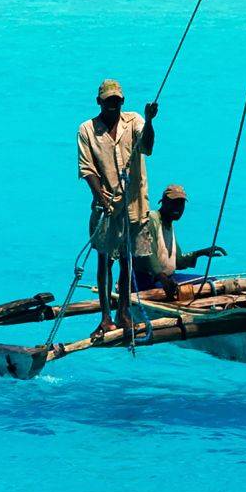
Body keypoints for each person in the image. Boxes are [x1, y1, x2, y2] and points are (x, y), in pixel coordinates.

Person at [76, 80, 156, 332]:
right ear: (99, 102)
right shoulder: (87, 130)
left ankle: (123, 313)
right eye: (108, 101)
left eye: (117, 100)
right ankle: (104, 317)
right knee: (104, 262)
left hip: (133, 204)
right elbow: (87, 168)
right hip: (106, 207)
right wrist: (101, 197)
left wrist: (150, 120)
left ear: (122, 101)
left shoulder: (133, 122)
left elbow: (147, 147)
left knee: (126, 261)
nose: (113, 105)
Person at [132, 182, 222, 298]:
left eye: (181, 204)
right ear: (163, 201)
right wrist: (163, 279)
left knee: (212, 281)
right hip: (147, 282)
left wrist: (200, 253)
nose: (177, 208)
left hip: (167, 278)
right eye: (173, 203)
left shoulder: (169, 224)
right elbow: (148, 253)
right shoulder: (150, 220)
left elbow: (178, 261)